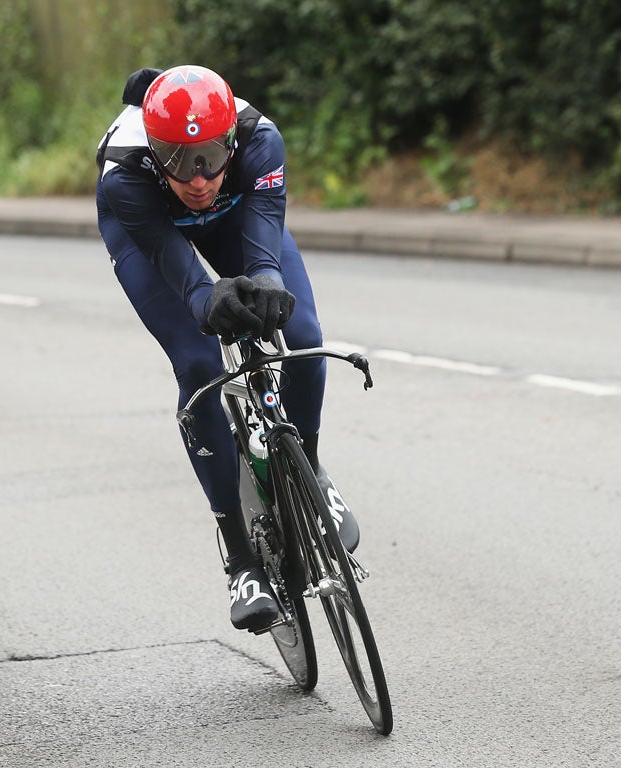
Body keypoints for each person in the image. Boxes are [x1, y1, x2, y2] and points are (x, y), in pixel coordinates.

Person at [95, 65, 360, 633]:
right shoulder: (127, 176)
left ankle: (311, 472)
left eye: (212, 156)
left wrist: (263, 282)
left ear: (233, 142)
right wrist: (206, 298)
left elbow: (264, 246)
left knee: (303, 336)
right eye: (180, 161)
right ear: (157, 153)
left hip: (234, 213)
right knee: (197, 363)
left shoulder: (261, 140)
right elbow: (189, 284)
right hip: (147, 228)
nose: (197, 178)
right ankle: (240, 556)